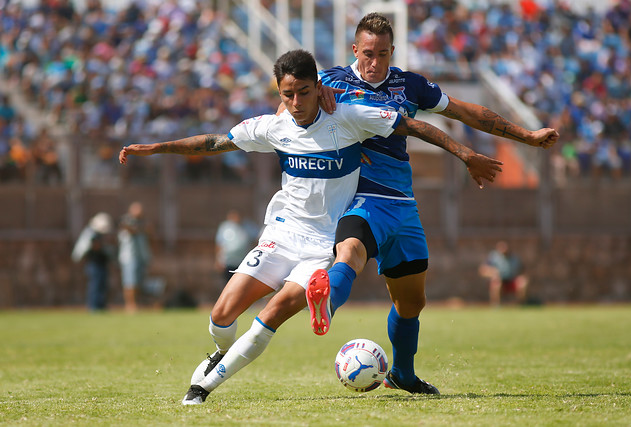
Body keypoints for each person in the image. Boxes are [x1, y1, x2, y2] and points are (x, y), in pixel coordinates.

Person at [119, 49, 502, 405]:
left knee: (272, 312)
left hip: (322, 246)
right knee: (221, 315)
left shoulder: (349, 116)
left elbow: (414, 127)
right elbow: (214, 142)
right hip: (282, 236)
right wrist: (156, 148)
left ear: (319, 88)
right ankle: (221, 351)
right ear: (280, 94)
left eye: (304, 92)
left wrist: (467, 155)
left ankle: (201, 388)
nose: (297, 103)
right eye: (288, 95)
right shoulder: (273, 127)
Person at [305, 12, 559, 394]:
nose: (375, 63)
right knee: (351, 254)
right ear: (354, 49)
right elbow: (287, 112)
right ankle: (326, 303)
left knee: (412, 303)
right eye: (368, 53)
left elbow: (464, 111)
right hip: (360, 198)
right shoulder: (328, 82)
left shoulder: (409, 85)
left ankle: (401, 374)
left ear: (393, 51)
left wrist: (526, 135)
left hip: (403, 205)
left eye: (384, 54)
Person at [71, 212, 114, 311]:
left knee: (101, 285)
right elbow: (92, 248)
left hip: (100, 263)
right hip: (94, 264)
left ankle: (100, 305)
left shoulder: (97, 234)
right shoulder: (91, 234)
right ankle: (94, 306)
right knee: (95, 286)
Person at [117, 201, 151, 313]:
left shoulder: (143, 223)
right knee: (129, 282)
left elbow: (150, 231)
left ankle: (137, 304)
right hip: (129, 257)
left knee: (139, 282)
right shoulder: (126, 221)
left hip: (141, 256)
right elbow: (129, 229)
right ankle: (130, 305)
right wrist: (139, 228)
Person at [479, 240, 529, 306]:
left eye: (505, 247)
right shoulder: (493, 258)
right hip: (499, 281)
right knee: (496, 283)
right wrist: (493, 273)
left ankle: (521, 304)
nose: (503, 249)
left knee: (522, 282)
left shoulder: (515, 258)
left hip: (511, 281)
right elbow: (482, 270)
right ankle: (496, 305)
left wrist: (522, 277)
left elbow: (523, 271)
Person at [215, 209, 255, 283]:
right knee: (228, 283)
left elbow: (256, 238)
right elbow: (219, 243)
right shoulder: (225, 227)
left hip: (243, 262)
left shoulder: (248, 226)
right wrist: (218, 260)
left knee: (241, 283)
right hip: (228, 262)